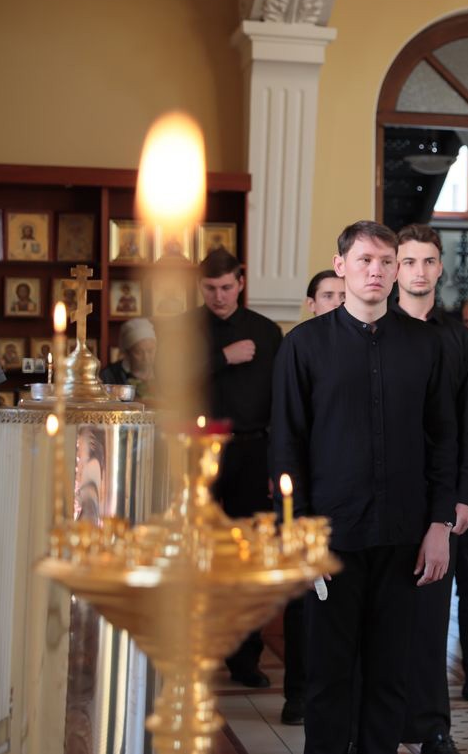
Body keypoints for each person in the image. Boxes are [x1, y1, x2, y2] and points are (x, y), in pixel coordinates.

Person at [270, 221, 457, 754]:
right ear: (341, 267)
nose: (376, 271)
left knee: (390, 675)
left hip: (404, 536)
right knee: (328, 677)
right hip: (330, 536)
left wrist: (440, 524)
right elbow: (286, 446)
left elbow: (444, 439)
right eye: (365, 261)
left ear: (396, 270)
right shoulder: (304, 346)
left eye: (385, 262)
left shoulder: (427, 344)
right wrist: (297, 531)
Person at [395, 224, 468, 752]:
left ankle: (431, 728)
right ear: (395, 268)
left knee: (430, 619)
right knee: (381, 622)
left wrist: (462, 497)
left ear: (441, 267)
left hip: (441, 493)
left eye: (429, 261)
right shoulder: (377, 327)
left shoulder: (457, 338)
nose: (420, 271)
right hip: (385, 494)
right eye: (409, 261)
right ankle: (376, 726)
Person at [198, 247, 284, 688]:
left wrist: (276, 464)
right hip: (198, 455)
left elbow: (282, 402)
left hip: (253, 453)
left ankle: (245, 659)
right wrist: (222, 358)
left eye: (226, 287)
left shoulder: (266, 331)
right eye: (210, 288)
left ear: (241, 283)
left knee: (248, 557)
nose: (219, 296)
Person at [278, 270, 348, 728]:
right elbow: (288, 427)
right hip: (306, 490)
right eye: (328, 295)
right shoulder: (301, 346)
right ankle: (299, 691)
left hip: (349, 498)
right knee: (303, 596)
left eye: (341, 294)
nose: (337, 301)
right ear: (311, 303)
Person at [99, 318, 156, 397]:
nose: (146, 357)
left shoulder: (164, 373)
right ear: (127, 353)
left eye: (150, 351)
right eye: (138, 352)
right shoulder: (108, 376)